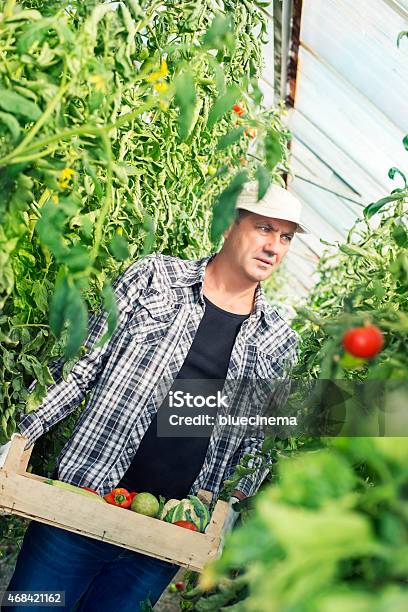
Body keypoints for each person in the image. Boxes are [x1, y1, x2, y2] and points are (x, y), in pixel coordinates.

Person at [0, 181, 307, 611]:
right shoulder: (154, 279)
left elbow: (258, 440)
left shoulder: (278, 341)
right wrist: (18, 436)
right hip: (81, 501)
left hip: (166, 533)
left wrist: (234, 503)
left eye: (286, 237)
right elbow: (83, 364)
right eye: (264, 228)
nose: (274, 246)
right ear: (227, 227)